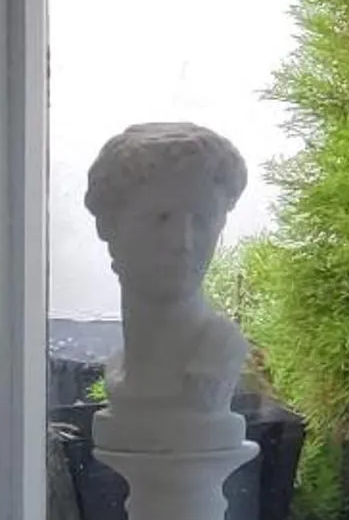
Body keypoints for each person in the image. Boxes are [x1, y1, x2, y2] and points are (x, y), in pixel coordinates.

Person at [83, 122, 250, 443]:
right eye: (160, 218)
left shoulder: (216, 358)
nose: (181, 242)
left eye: (201, 219)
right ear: (107, 225)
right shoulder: (119, 368)